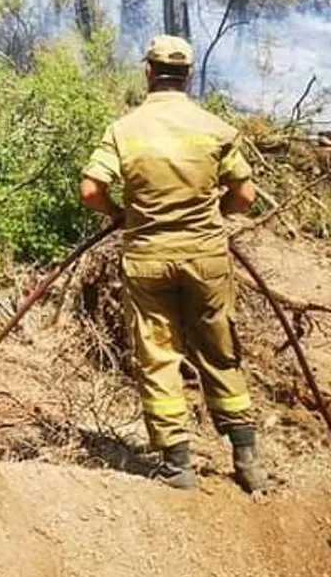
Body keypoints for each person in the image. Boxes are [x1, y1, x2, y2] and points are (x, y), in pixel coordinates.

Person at [78, 36, 267, 492]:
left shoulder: (125, 130)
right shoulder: (215, 128)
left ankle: (178, 466)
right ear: (189, 75)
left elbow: (90, 190)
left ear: (148, 71)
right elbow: (244, 195)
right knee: (220, 352)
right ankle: (247, 459)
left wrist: (119, 214)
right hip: (206, 257)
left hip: (147, 258)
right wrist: (213, 215)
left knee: (158, 355)